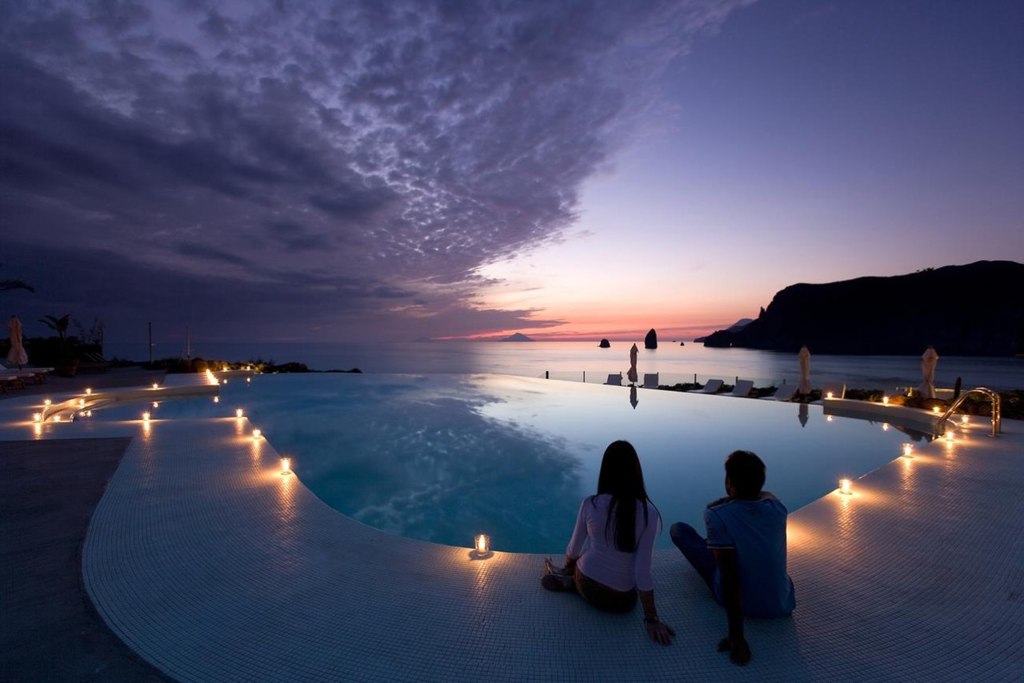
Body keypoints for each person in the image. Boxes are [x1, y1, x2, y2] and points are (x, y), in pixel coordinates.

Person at [542, 440, 674, 645]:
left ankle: (567, 580)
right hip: (621, 601)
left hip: (586, 583)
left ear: (605, 470)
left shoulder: (591, 504)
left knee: (584, 556)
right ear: (635, 472)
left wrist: (567, 567)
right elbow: (643, 571)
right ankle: (567, 580)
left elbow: (574, 548)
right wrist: (652, 619)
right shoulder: (649, 514)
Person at [670, 450, 795, 665]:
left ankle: (718, 547)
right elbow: (767, 494)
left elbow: (729, 577)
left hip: (745, 603)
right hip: (782, 602)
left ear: (729, 483)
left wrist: (737, 636)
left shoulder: (717, 514)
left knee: (678, 530)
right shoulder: (777, 507)